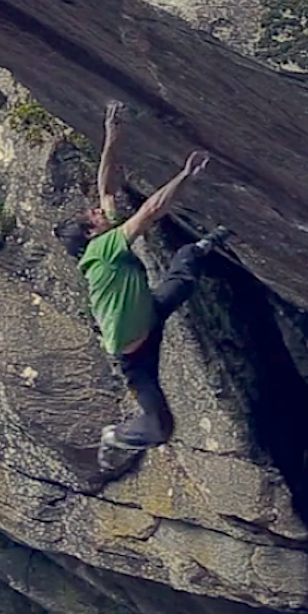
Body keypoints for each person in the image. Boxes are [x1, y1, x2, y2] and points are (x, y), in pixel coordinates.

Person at [56, 100, 228, 474]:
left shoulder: (103, 240)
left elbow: (108, 185)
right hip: (135, 353)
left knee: (182, 275)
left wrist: (112, 133)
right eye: (94, 218)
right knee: (160, 428)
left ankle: (201, 246)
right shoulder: (104, 250)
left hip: (147, 315)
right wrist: (185, 176)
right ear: (92, 235)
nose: (99, 212)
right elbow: (149, 211)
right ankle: (117, 436)